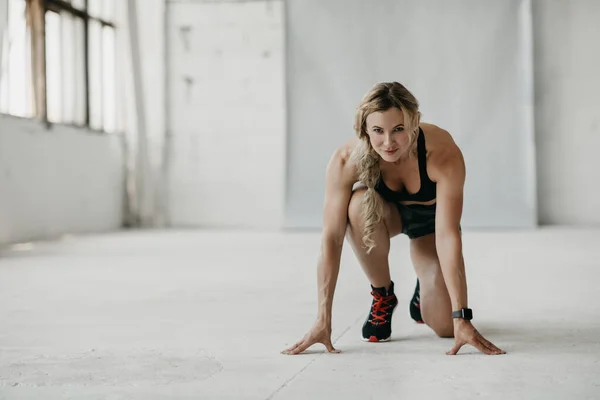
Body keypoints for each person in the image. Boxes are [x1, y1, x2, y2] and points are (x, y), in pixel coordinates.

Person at [282, 82, 505, 356]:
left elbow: (448, 234)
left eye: (398, 129)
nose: (388, 142)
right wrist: (322, 319)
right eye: (378, 131)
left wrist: (462, 318)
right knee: (357, 207)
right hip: (384, 215)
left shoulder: (442, 154)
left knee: (446, 327)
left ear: (414, 122)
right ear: (365, 128)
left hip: (430, 228)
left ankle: (424, 286)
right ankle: (383, 295)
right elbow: (331, 239)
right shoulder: (345, 161)